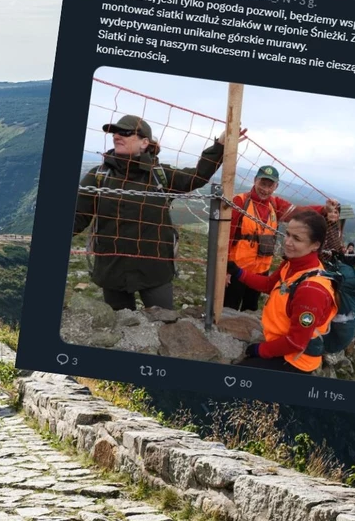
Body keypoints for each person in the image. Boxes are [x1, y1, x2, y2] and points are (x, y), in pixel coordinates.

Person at [75, 115, 241, 311]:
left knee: (164, 323)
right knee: (119, 328)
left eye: (125, 132)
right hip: (112, 269)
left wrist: (220, 146)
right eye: (115, 132)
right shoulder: (98, 177)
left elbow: (196, 177)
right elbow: (78, 218)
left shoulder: (160, 175)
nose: (117, 136)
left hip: (155, 271)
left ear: (145, 142)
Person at [226, 209, 336, 374]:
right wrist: (238, 272)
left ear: (315, 245)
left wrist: (260, 350)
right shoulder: (292, 264)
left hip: (295, 361)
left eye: (297, 238)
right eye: (288, 234)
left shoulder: (312, 291)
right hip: (280, 345)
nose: (288, 242)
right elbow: (269, 284)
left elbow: (296, 342)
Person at [225, 165, 337, 311]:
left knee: (250, 309)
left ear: (275, 186)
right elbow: (227, 236)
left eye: (270, 185)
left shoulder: (275, 204)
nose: (265, 189)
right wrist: (225, 268)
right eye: (262, 183)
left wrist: (323, 210)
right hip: (237, 269)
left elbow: (299, 212)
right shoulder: (240, 201)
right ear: (255, 181)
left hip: (261, 271)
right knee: (229, 309)